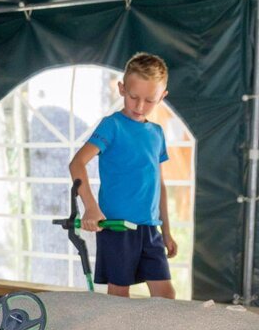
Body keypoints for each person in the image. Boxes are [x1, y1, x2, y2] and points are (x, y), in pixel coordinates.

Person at [68, 52, 179, 299]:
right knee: (118, 296)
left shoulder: (157, 133)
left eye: (149, 100)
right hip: (117, 227)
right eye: (133, 97)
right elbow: (77, 164)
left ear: (162, 97)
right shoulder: (112, 125)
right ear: (121, 89)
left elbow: (159, 184)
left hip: (150, 229)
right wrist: (91, 208)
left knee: (166, 297)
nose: (139, 107)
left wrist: (166, 231)